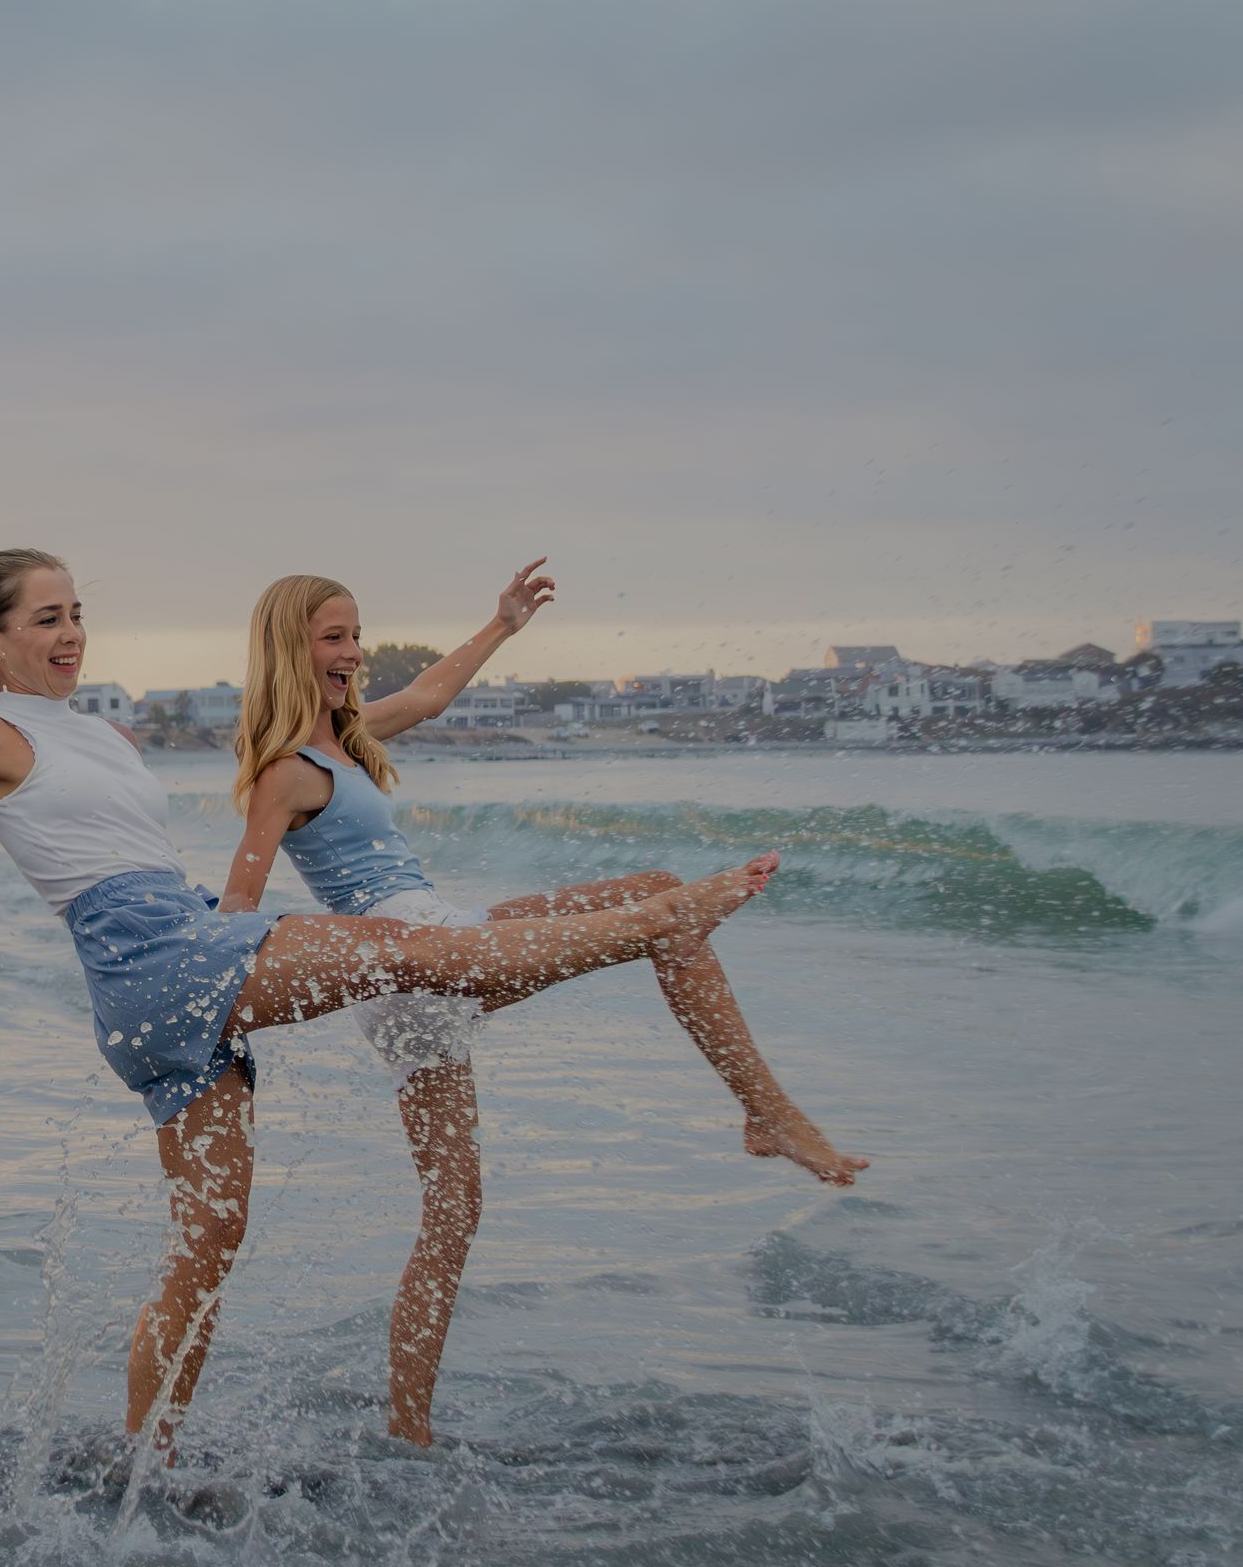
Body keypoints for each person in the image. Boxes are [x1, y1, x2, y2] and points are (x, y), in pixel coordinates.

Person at [0, 549, 777, 1457]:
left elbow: (239, 813)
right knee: (415, 952)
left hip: (164, 979)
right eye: (45, 617)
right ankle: (659, 917)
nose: (69, 633)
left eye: (78, 613)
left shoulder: (100, 731)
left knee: (208, 1249)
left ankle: (148, 1470)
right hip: (159, 957)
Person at [222, 567, 867, 1443]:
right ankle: (767, 1106)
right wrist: (231, 1011)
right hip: (411, 956)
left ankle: (408, 1426)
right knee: (662, 909)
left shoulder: (345, 735)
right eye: (334, 636)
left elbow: (431, 692)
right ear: (289, 646)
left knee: (454, 1210)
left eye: (356, 634)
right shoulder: (284, 773)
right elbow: (237, 914)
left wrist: (504, 625)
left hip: (432, 951)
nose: (354, 653)